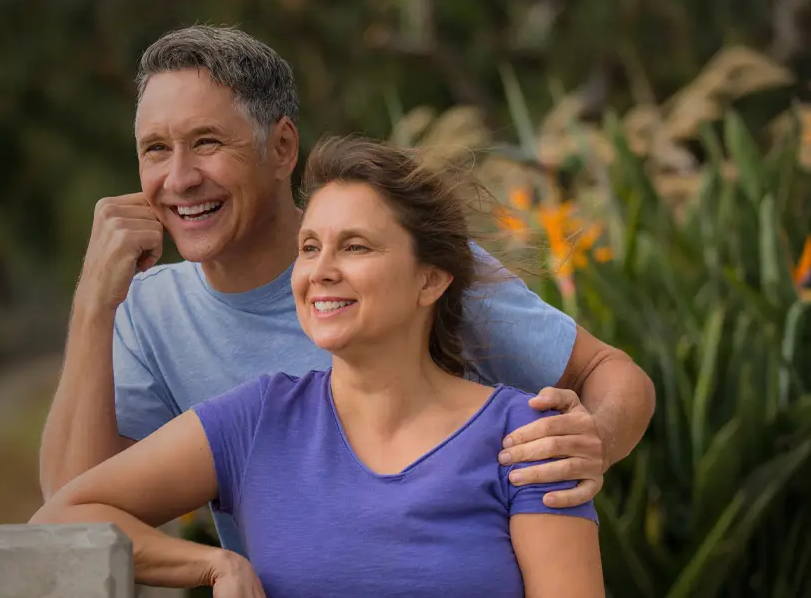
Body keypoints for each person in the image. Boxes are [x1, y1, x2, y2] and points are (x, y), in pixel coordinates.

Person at [38, 24, 656, 554]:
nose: (179, 178)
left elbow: (610, 371)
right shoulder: (150, 312)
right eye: (155, 150)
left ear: (281, 147)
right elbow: (77, 507)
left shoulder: (407, 269)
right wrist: (95, 301)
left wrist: (592, 444)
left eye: (206, 143)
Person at [32, 135, 604, 597]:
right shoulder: (257, 420)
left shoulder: (525, 439)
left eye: (355, 246)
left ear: (429, 279)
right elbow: (64, 514)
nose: (319, 271)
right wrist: (213, 565)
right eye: (310, 247)